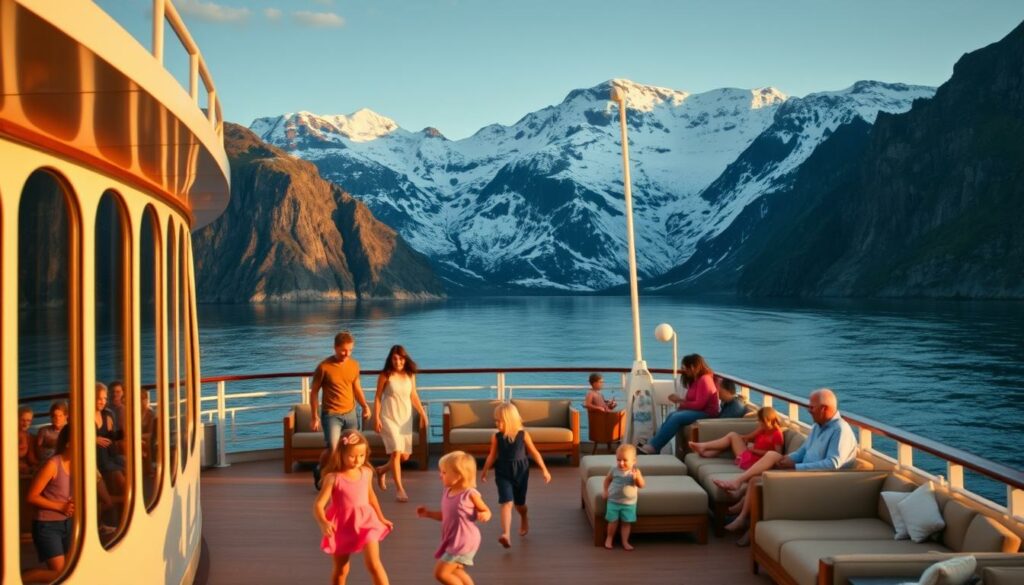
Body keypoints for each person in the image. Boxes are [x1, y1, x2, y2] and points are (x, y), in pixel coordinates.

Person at [716, 389, 858, 542]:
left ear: (824, 409)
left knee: (758, 479)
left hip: (818, 481)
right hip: (802, 473)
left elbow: (833, 464)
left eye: (812, 407)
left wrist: (796, 467)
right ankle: (741, 513)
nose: (808, 410)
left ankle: (741, 511)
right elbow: (803, 451)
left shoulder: (840, 431)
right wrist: (789, 459)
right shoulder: (818, 427)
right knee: (760, 473)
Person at [313, 430, 392, 585]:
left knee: (374, 564)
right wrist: (323, 522)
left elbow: (371, 497)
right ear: (340, 454)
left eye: (361, 456)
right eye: (352, 456)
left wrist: (381, 518)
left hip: (367, 522)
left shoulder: (367, 472)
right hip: (342, 525)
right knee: (341, 571)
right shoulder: (333, 478)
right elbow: (319, 505)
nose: (357, 460)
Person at [480, 403, 551, 548]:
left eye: (500, 420)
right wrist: (485, 470)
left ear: (510, 420)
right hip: (502, 471)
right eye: (496, 420)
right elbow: (491, 456)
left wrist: (544, 469)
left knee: (520, 505)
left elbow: (534, 453)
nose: (496, 423)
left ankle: (524, 516)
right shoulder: (496, 437)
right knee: (506, 502)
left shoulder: (523, 435)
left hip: (521, 471)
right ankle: (506, 534)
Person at [417, 451, 492, 585]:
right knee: (455, 571)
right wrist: (428, 514)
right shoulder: (448, 491)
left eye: (444, 472)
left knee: (441, 573)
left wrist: (485, 515)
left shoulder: (470, 494)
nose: (440, 476)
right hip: (453, 538)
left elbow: (486, 510)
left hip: (464, 540)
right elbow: (446, 515)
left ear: (458, 476)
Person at [310, 331, 372, 490]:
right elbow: (314, 392)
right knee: (334, 449)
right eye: (344, 350)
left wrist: (365, 406)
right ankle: (322, 471)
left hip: (351, 413)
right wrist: (314, 416)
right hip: (331, 415)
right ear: (335, 347)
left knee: (352, 447)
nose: (347, 354)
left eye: (350, 350)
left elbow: (357, 388)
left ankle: (348, 480)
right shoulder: (324, 367)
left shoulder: (354, 365)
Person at [373, 345, 428, 503]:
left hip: (404, 418)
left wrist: (422, 413)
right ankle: (399, 489)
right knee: (396, 451)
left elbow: (414, 395)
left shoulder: (410, 375)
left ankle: (382, 470)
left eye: (401, 358)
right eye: (395, 359)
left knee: (404, 456)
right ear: (391, 360)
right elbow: (377, 397)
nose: (398, 361)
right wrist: (376, 418)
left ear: (405, 359)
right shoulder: (385, 375)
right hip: (388, 416)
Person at [639, 354, 720, 454]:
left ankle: (653, 447)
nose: (684, 371)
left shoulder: (705, 379)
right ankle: (653, 445)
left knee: (676, 417)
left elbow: (699, 405)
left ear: (693, 367)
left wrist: (679, 401)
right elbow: (693, 402)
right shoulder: (695, 380)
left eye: (686, 368)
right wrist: (681, 405)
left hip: (707, 413)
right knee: (672, 415)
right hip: (699, 411)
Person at [22, 425, 73, 584]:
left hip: (69, 523)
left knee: (71, 571)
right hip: (47, 526)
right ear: (69, 443)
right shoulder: (53, 464)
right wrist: (61, 507)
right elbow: (31, 497)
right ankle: (18, 578)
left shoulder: (79, 465)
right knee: (60, 574)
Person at [689, 406, 784, 470]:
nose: (759, 423)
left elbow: (776, 456)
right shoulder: (763, 428)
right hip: (751, 453)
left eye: (761, 421)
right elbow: (749, 436)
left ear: (769, 421)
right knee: (732, 436)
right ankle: (707, 452)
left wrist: (754, 450)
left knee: (732, 436)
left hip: (755, 461)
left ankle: (704, 447)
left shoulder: (777, 434)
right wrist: (740, 439)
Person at [602, 443, 645, 550]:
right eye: (618, 459)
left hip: (629, 503)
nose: (621, 463)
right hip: (613, 501)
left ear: (634, 461)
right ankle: (609, 538)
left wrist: (637, 478)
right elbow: (607, 480)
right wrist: (605, 491)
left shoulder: (635, 471)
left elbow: (641, 485)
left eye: (625, 460)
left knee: (626, 523)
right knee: (612, 521)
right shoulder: (614, 469)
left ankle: (625, 541)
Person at [94, 384, 126, 495]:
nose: (103, 402)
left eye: (105, 398)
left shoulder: (107, 414)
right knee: (123, 484)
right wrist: (92, 439)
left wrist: (125, 432)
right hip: (99, 460)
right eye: (99, 399)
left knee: (129, 465)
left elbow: (113, 438)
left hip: (111, 455)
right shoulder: (85, 417)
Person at [19, 405, 39, 476]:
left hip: (24, 471)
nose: (25, 423)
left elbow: (31, 459)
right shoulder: (8, 435)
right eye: (23, 420)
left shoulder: (30, 437)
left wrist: (43, 464)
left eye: (28, 420)